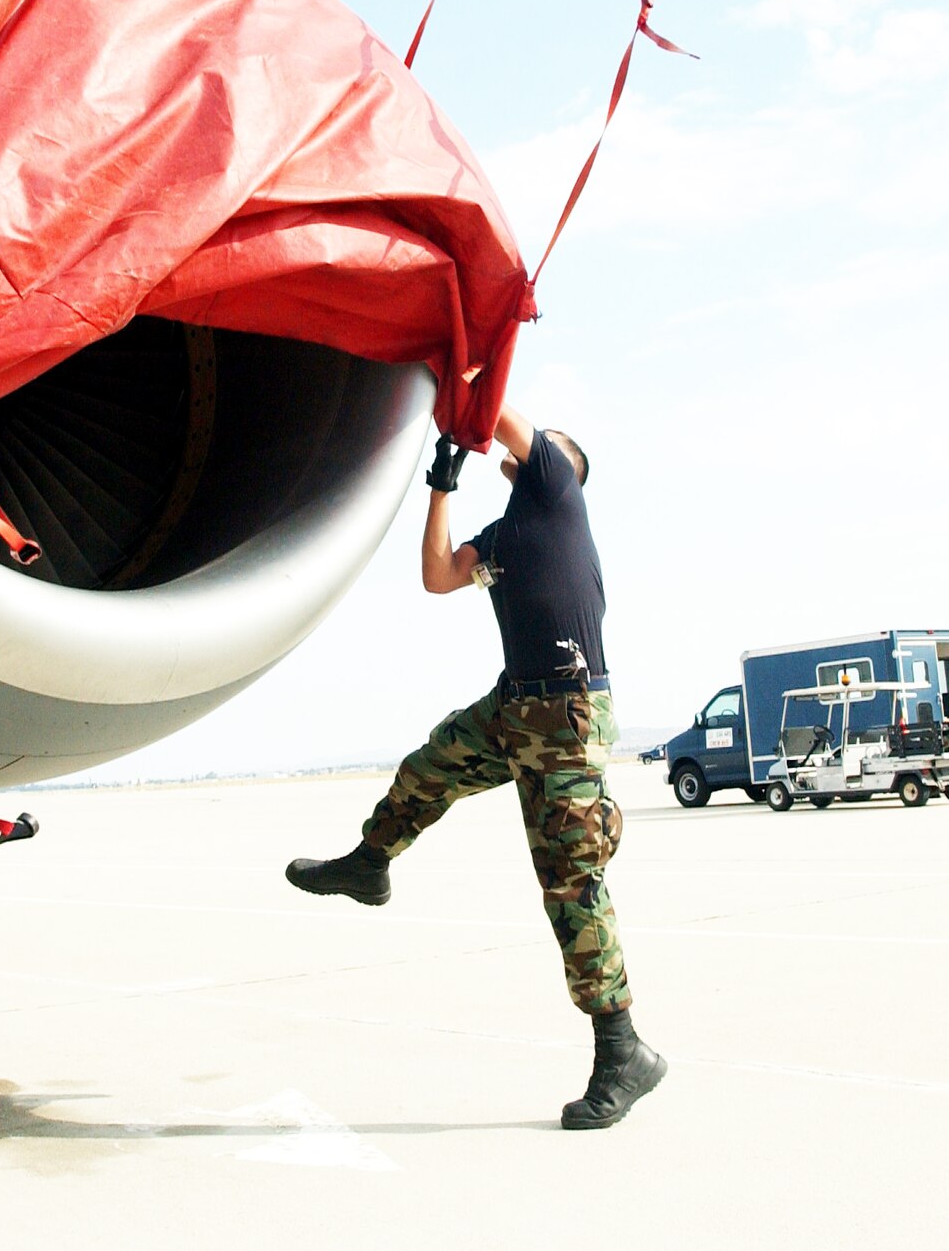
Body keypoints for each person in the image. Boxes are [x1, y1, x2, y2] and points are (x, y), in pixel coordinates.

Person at [283, 405, 665, 1130]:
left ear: (563, 468)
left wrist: (459, 382)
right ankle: (370, 863)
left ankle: (624, 1051)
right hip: (516, 708)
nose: (539, 446)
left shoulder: (556, 492)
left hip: (568, 715)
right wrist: (440, 483)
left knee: (571, 886)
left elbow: (501, 413)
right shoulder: (503, 539)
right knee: (431, 764)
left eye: (550, 446)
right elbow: (436, 574)